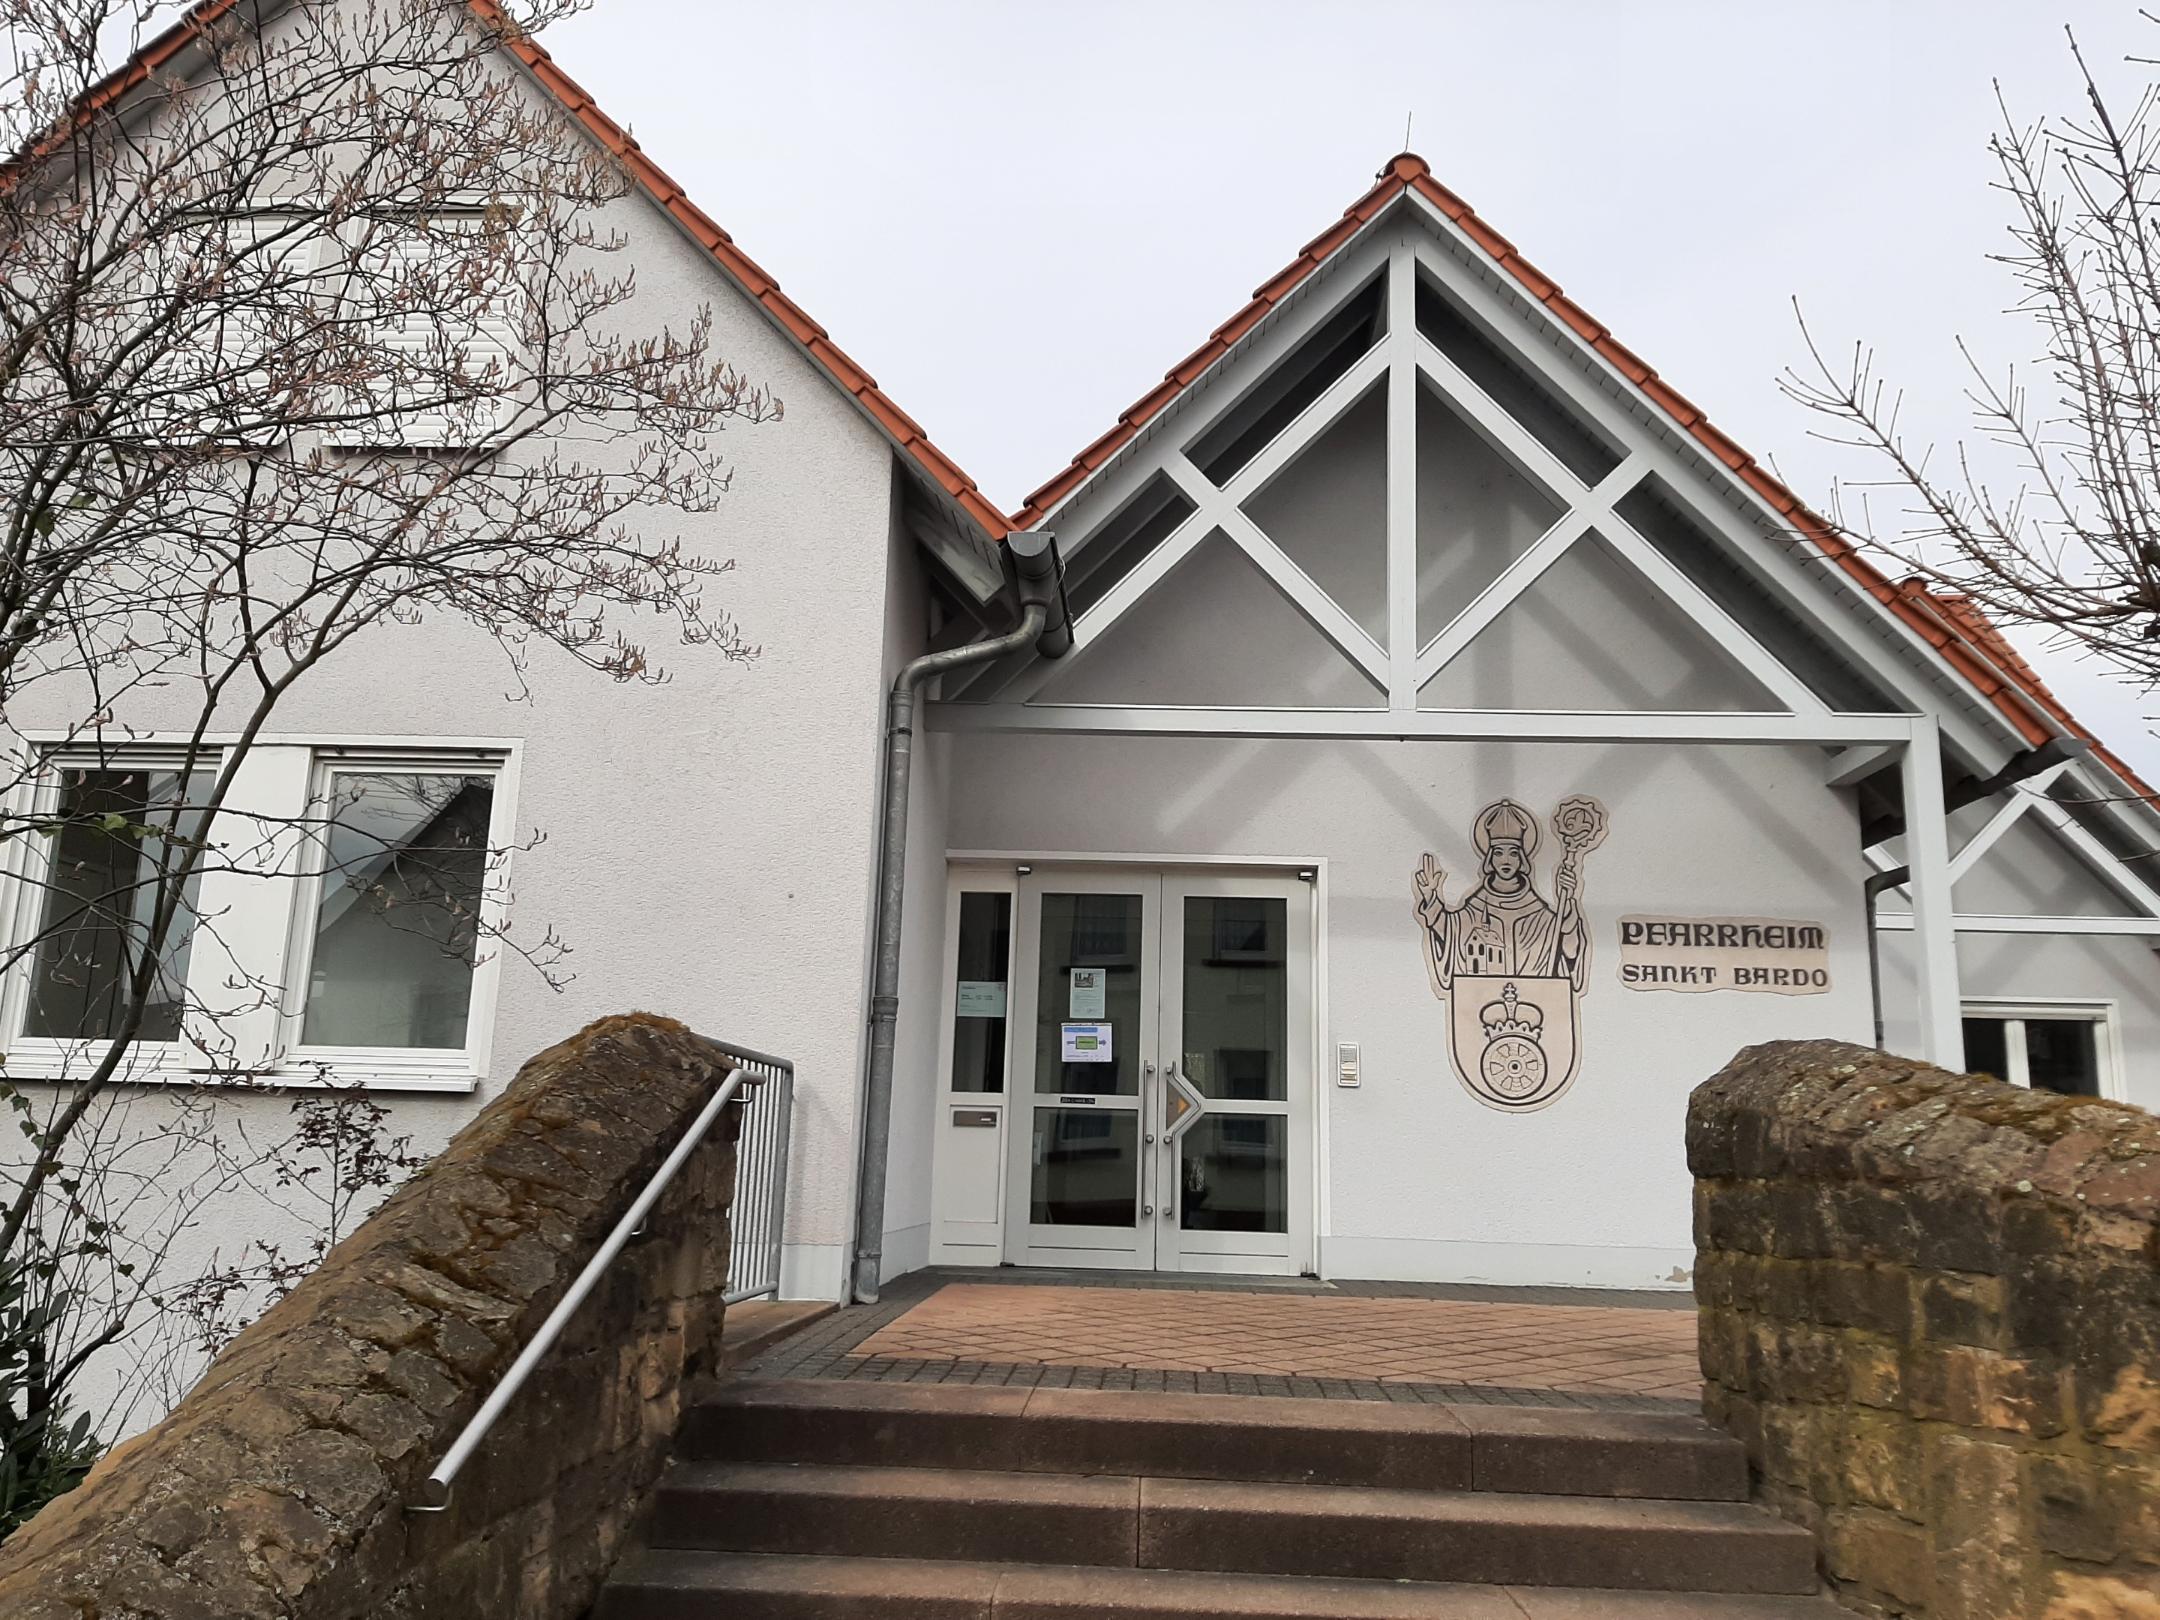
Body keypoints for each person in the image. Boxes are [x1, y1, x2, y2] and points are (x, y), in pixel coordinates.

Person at [1413, 800, 1588, 993]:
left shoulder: (1538, 915)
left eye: (1513, 853)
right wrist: (1430, 896)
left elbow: (1568, 945)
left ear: (1522, 859)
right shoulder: (1477, 908)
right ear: (1490, 858)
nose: (1505, 860)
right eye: (1498, 853)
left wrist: (1570, 901)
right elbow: (1450, 930)